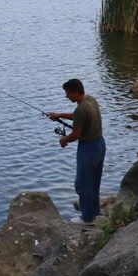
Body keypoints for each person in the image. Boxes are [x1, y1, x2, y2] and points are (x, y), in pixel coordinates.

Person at [48, 78, 106, 225]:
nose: (66, 96)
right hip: (100, 144)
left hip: (88, 148)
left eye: (67, 93)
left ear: (75, 92)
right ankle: (93, 213)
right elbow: (78, 117)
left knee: (82, 183)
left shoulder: (81, 109)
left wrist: (63, 140)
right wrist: (59, 115)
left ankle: (86, 218)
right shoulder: (90, 100)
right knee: (94, 181)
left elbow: (75, 135)